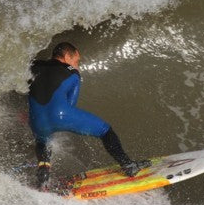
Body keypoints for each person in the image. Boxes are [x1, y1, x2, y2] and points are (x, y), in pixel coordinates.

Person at [28, 42, 149, 189]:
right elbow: (71, 104)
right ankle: (128, 165)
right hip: (61, 114)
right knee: (105, 131)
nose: (77, 65)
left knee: (42, 141)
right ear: (67, 57)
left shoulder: (33, 66)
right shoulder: (72, 72)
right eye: (76, 61)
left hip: (37, 121)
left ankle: (44, 173)